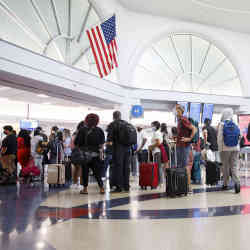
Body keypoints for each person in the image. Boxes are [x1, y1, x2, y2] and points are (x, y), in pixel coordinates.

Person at [74, 114, 105, 195]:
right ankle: (101, 188)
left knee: (85, 172)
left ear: (86, 120)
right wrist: (101, 153)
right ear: (97, 121)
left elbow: (76, 142)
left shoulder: (82, 130)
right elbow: (101, 145)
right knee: (97, 172)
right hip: (95, 155)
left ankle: (85, 189)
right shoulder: (99, 130)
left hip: (85, 155)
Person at [106, 111, 131, 193]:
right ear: (120, 116)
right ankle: (126, 186)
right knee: (126, 167)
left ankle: (119, 187)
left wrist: (108, 149)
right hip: (127, 148)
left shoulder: (112, 124)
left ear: (113, 116)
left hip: (118, 148)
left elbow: (109, 140)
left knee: (118, 167)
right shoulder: (127, 124)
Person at [217, 108, 241, 193]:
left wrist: (220, 149)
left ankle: (225, 184)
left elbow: (220, 138)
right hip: (235, 148)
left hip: (225, 149)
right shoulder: (235, 124)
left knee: (225, 166)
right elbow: (239, 137)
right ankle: (237, 183)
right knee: (234, 166)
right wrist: (237, 146)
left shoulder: (222, 124)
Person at [176, 104, 197, 192]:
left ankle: (189, 187)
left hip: (184, 147)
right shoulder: (179, 120)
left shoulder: (184, 119)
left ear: (180, 111)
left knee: (185, 166)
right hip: (180, 146)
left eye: (177, 109)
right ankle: (182, 185)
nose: (175, 111)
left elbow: (194, 129)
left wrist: (189, 138)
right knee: (181, 166)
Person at [148, 121, 163, 187]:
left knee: (158, 167)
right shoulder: (157, 133)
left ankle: (160, 182)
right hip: (156, 151)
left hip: (157, 152)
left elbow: (158, 143)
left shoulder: (157, 133)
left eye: (152, 126)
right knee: (158, 167)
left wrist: (151, 147)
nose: (152, 127)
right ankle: (159, 181)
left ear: (155, 126)